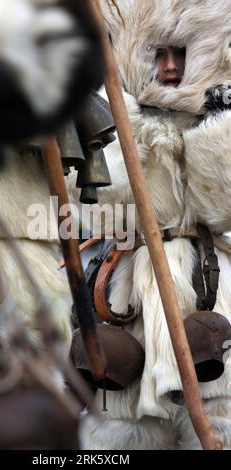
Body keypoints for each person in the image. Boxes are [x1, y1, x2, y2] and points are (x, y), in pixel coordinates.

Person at [71, 0, 231, 450]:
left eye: (181, 53)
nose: (170, 66)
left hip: (210, 281)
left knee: (219, 415)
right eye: (158, 53)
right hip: (130, 283)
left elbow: (222, 207)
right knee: (123, 423)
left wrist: (219, 127)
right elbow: (100, 203)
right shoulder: (114, 111)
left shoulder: (221, 111)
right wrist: (123, 119)